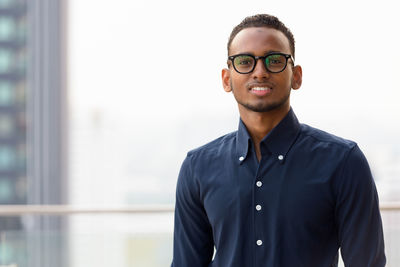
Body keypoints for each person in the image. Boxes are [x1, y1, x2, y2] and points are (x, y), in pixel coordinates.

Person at [171, 14, 386, 267]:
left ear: (296, 76)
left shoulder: (344, 162)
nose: (260, 72)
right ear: (227, 79)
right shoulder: (197, 167)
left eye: (274, 60)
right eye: (244, 61)